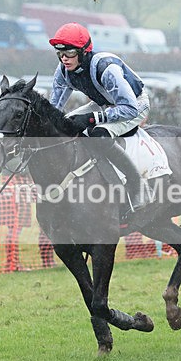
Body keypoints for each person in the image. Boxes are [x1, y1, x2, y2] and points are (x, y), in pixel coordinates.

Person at [48, 22, 151, 216]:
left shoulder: (106, 68)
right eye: (59, 53)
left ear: (84, 51)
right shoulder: (63, 71)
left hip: (135, 105)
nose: (64, 58)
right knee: (65, 125)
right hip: (105, 103)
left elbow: (129, 108)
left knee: (99, 133)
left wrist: (92, 118)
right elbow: (54, 109)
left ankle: (137, 185)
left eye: (69, 53)